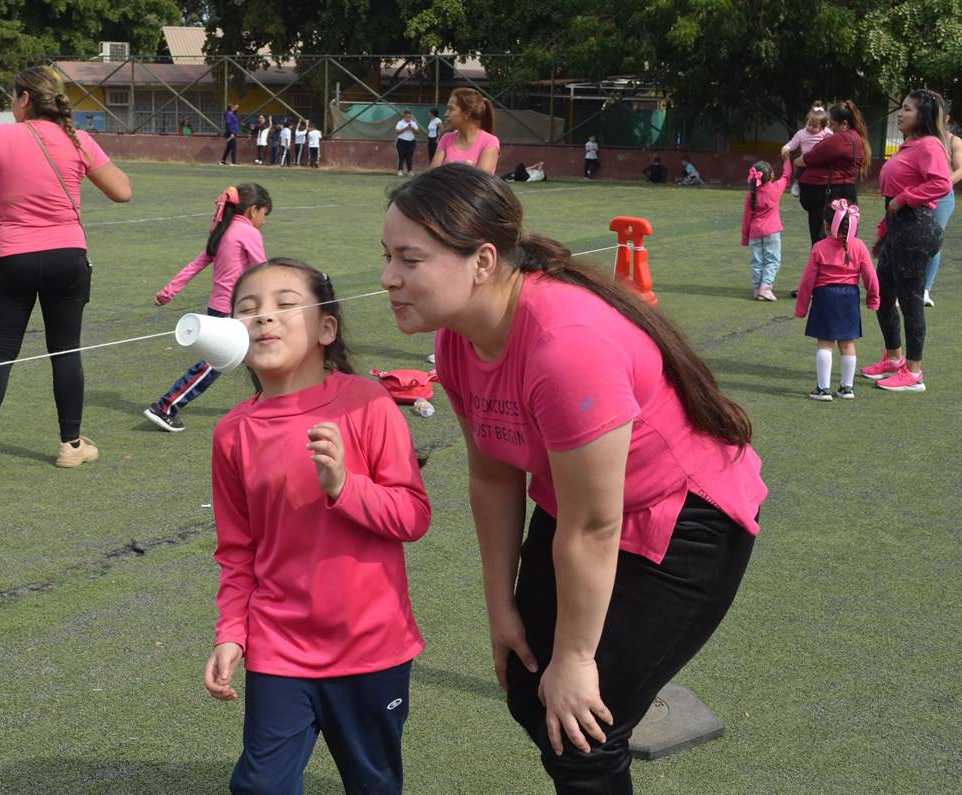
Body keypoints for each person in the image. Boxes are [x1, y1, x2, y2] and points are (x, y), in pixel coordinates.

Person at [381, 164, 765, 794]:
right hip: (581, 509)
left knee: (582, 736)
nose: (388, 278)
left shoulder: (565, 344)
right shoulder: (457, 338)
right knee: (533, 694)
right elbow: (493, 477)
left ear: (481, 261)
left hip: (683, 515)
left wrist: (579, 658)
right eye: (386, 255)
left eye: (409, 259)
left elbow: (594, 525)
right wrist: (500, 605)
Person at [205, 257, 430, 794]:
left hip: (371, 648)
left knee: (373, 783)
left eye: (286, 305)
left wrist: (344, 487)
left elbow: (413, 516)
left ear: (326, 328)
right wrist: (232, 632)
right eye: (248, 309)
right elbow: (237, 551)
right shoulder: (231, 433)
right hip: (279, 646)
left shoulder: (367, 404)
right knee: (260, 786)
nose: (264, 319)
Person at [0, 65, 131, 473]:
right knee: (66, 350)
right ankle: (71, 444)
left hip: (10, 256)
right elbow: (123, 191)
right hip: (66, 257)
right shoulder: (78, 139)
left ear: (24, 99)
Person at [145, 183, 271, 432]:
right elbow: (263, 269)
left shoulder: (222, 231)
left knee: (257, 354)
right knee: (214, 365)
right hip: (232, 312)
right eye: (264, 215)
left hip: (221, 308)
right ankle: (166, 406)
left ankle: (270, 402)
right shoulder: (248, 233)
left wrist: (168, 292)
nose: (264, 222)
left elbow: (195, 265)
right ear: (253, 210)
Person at [860, 89, 952, 394]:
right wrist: (884, 233)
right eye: (901, 108)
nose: (900, 114)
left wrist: (904, 198)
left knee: (910, 302)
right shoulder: (909, 145)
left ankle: (914, 373)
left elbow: (940, 183)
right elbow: (892, 200)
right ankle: (894, 358)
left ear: (922, 116)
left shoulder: (930, 146)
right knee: (882, 296)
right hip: (899, 227)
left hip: (916, 229)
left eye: (908, 110)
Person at [794, 199, 880, 401]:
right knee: (847, 343)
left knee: (825, 344)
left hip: (825, 298)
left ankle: (823, 389)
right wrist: (873, 299)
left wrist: (801, 307)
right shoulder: (859, 246)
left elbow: (807, 281)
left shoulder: (819, 247)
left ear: (826, 224)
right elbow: (871, 276)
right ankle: (846, 388)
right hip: (849, 298)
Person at [794, 101, 870, 245]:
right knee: (839, 240)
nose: (831, 129)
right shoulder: (853, 138)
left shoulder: (841, 139)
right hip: (835, 193)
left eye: (833, 125)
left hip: (828, 196)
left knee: (825, 242)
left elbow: (811, 157)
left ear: (844, 124)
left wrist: (796, 161)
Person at [740, 155, 792, 301]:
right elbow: (787, 176)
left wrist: (745, 238)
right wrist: (787, 160)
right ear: (771, 176)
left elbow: (746, 218)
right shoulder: (775, 189)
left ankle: (757, 289)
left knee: (757, 262)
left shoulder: (750, 194)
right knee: (772, 260)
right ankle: (766, 287)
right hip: (772, 231)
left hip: (754, 233)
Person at [923, 102, 960, 306]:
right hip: (918, 195)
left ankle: (925, 290)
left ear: (946, 119)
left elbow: (960, 169)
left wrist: (939, 186)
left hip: (943, 197)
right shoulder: (921, 139)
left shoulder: (954, 141)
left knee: (933, 242)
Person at [431, 88, 499, 174]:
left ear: (466, 113)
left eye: (451, 109)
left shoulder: (490, 142)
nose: (446, 114)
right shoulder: (445, 139)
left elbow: (480, 183)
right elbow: (433, 178)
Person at [781, 103, 831, 198]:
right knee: (800, 171)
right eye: (808, 124)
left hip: (820, 160)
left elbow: (834, 137)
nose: (810, 128)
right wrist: (785, 148)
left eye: (815, 126)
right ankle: (796, 184)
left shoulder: (825, 132)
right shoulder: (801, 133)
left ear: (823, 127)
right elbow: (792, 143)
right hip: (806, 160)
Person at [395, 109, 419, 176]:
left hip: (411, 143)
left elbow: (417, 132)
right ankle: (400, 170)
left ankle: (410, 171)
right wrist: (405, 128)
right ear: (404, 117)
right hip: (401, 142)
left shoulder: (413, 123)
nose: (408, 118)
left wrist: (412, 128)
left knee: (409, 157)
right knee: (401, 157)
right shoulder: (400, 123)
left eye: (409, 117)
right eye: (407, 117)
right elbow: (397, 131)